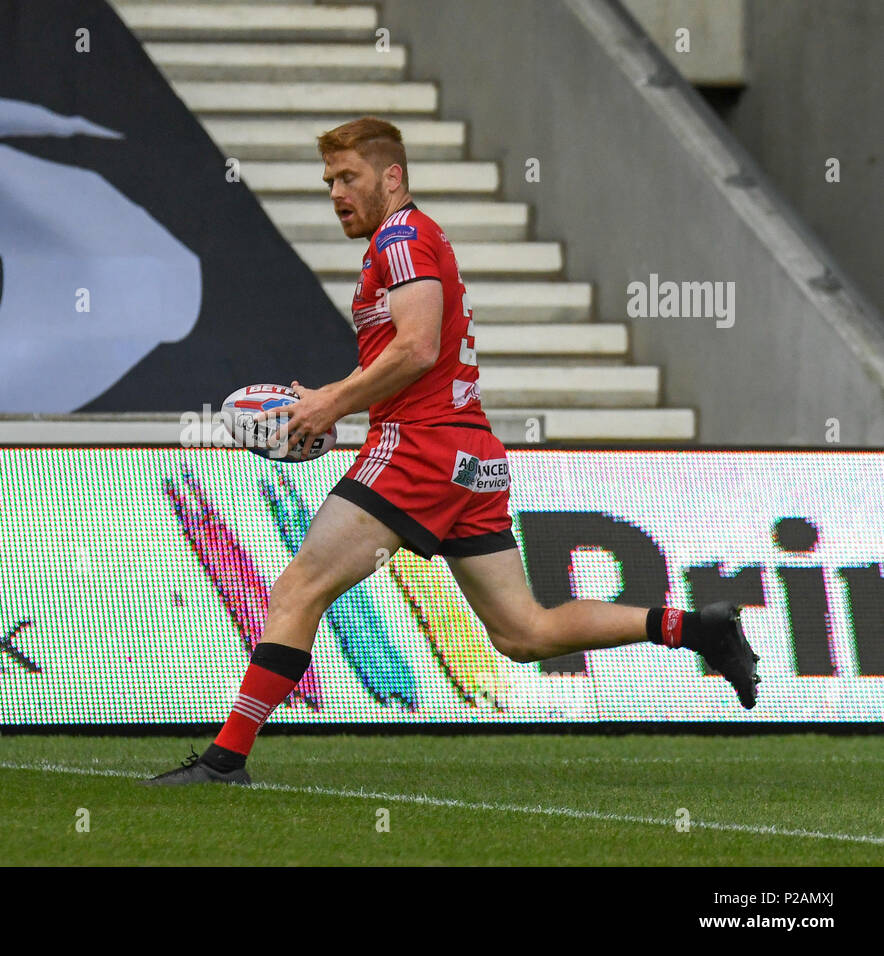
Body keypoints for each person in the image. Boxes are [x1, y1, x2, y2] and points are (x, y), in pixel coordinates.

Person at [143, 117, 759, 786]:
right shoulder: (404, 242)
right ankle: (694, 629)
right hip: (469, 455)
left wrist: (331, 404)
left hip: (421, 447)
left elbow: (418, 347)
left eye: (349, 177)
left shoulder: (402, 238)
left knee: (298, 588)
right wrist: (334, 396)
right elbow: (411, 353)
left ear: (392, 177)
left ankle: (225, 762)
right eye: (328, 182)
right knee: (524, 632)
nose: (336, 192)